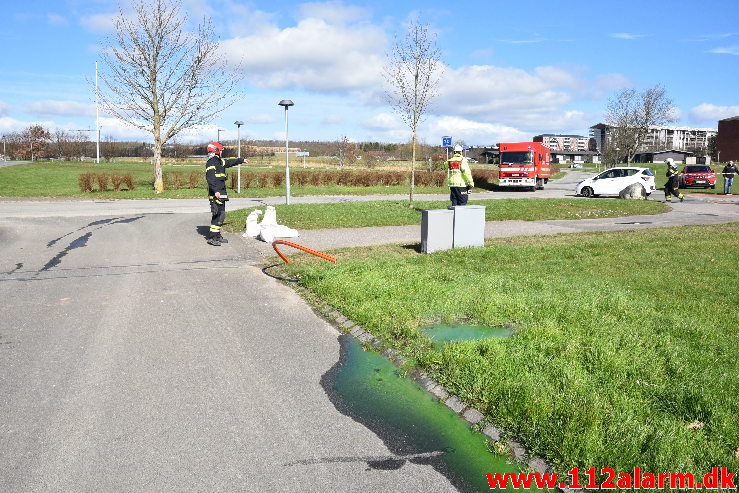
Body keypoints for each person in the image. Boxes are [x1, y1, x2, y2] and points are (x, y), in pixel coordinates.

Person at [205, 142, 247, 246]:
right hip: (216, 195)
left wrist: (241, 160)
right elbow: (210, 178)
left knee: (221, 216)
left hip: (221, 194)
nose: (222, 152)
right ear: (216, 150)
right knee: (216, 215)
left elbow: (229, 162)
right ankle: (212, 237)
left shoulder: (220, 161)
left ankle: (217, 235)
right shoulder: (211, 162)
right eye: (221, 150)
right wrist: (215, 191)